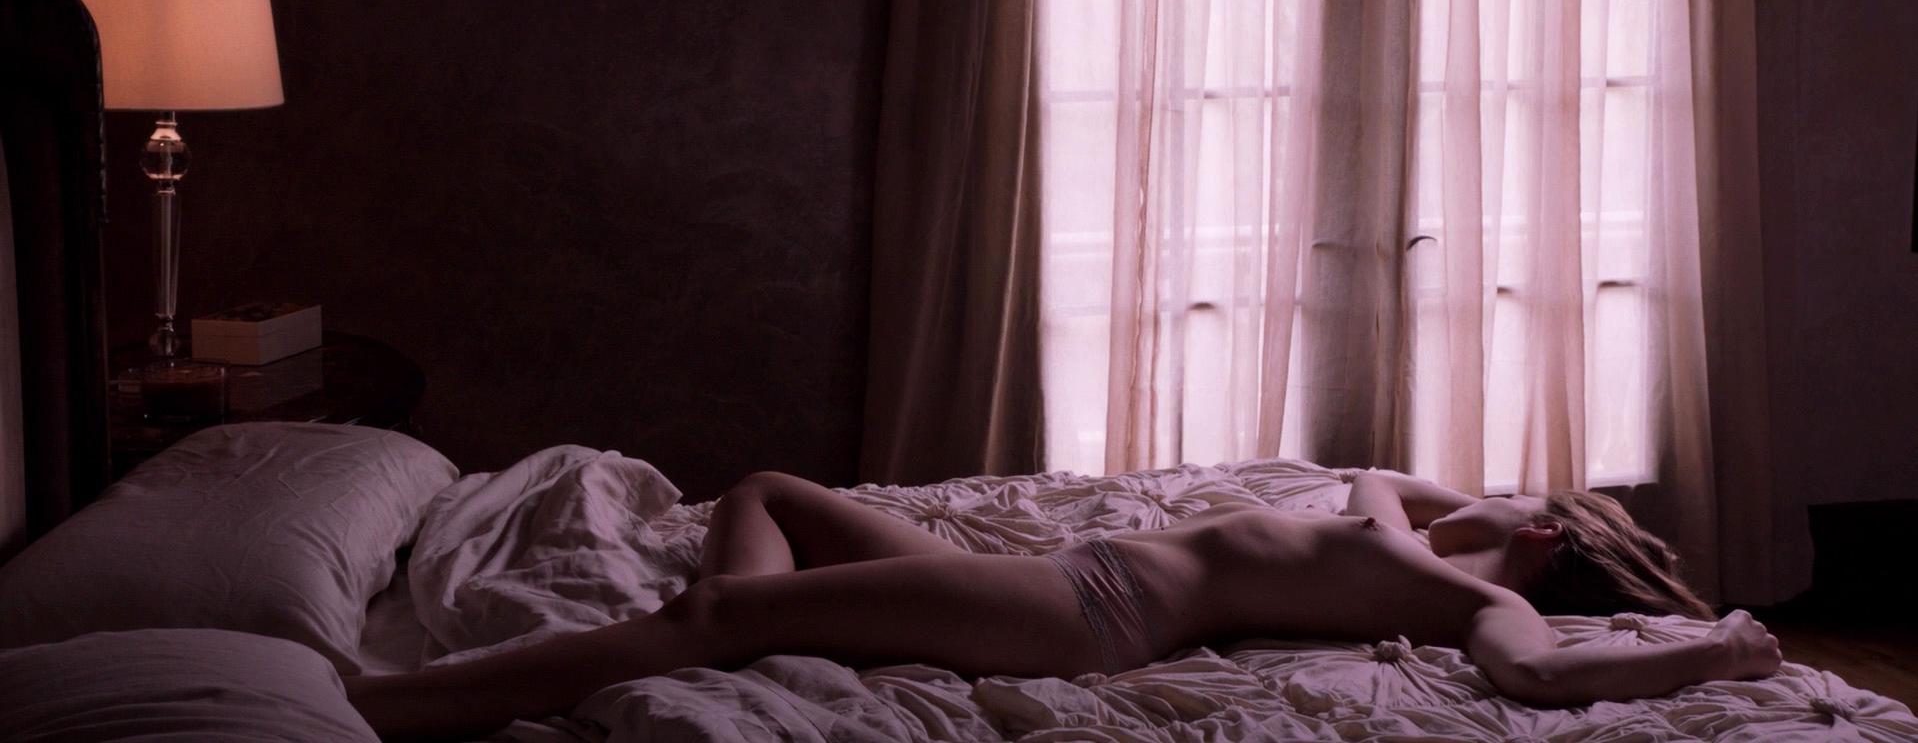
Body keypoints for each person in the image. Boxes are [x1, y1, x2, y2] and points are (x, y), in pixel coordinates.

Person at [347, 468, 1781, 740]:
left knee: (713, 619)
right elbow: (1375, 480)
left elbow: (1537, 676)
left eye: (1526, 501)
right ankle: (757, 622)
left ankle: (383, 708)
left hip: (1073, 609)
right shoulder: (1407, 544)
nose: (1494, 491)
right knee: (775, 494)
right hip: (1075, 586)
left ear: (1542, 541)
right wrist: (1492, 517)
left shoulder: (1442, 591)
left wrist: (1714, 651)